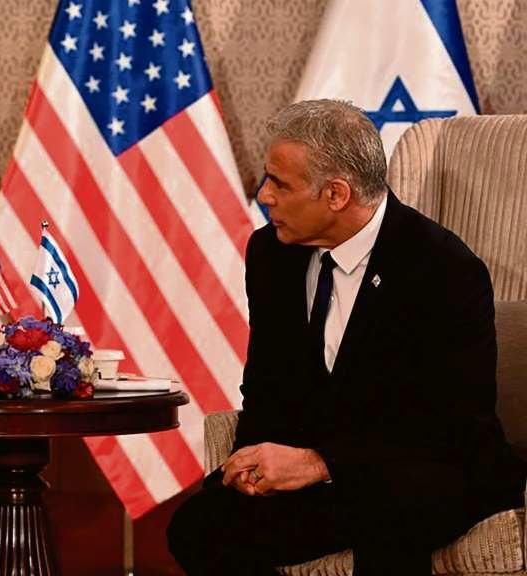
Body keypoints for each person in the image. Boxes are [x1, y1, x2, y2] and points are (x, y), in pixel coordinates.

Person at [166, 99, 527, 575]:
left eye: (279, 182)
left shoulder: (443, 269)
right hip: (321, 473)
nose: (265, 196)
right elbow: (267, 384)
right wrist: (253, 464)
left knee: (394, 513)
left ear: (336, 194)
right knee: (198, 525)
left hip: (432, 466)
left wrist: (321, 462)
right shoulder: (272, 254)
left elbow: (450, 421)